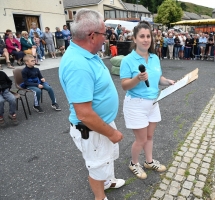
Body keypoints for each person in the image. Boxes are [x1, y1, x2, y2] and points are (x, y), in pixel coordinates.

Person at [59, 9, 125, 200]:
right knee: (97, 166)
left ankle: (108, 181)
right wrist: (112, 133)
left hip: (101, 123)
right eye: (104, 34)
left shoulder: (88, 53)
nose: (106, 38)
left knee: (107, 158)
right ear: (91, 35)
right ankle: (100, 197)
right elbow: (84, 114)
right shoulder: (77, 64)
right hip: (92, 128)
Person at [120, 21, 175, 180]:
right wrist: (137, 78)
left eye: (148, 36)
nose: (146, 39)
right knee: (141, 139)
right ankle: (134, 163)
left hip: (153, 103)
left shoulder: (155, 58)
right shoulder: (128, 60)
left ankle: (149, 161)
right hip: (135, 104)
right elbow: (124, 85)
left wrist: (168, 82)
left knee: (150, 137)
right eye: (142, 36)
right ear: (135, 39)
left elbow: (159, 78)